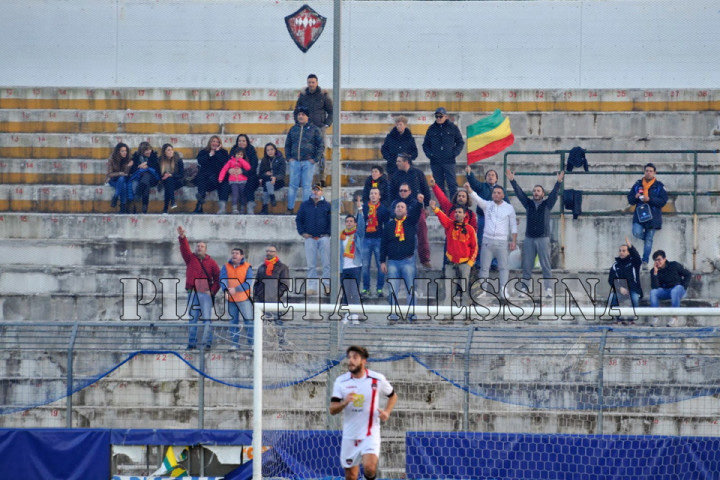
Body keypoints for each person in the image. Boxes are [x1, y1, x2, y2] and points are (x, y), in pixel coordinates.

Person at [330, 346, 397, 480]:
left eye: (355, 357)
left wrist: (387, 412)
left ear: (363, 361)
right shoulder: (341, 381)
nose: (351, 361)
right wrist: (344, 403)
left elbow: (393, 395)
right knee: (351, 476)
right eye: (349, 357)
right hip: (350, 435)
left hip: (370, 434)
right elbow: (332, 409)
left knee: (370, 468)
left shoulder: (377, 379)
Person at [507, 169, 564, 298]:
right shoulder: (528, 204)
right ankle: (524, 288)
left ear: (543, 194)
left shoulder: (547, 205)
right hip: (529, 238)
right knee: (527, 265)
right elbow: (519, 193)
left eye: (538, 191)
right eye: (534, 191)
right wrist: (512, 180)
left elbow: (554, 194)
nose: (535, 192)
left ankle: (548, 288)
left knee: (545, 265)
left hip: (543, 238)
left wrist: (558, 182)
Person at [465, 184, 517, 300]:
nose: (496, 194)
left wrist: (513, 241)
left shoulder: (509, 208)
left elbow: (513, 225)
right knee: (484, 267)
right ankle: (483, 290)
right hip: (487, 241)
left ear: (503, 195)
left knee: (503, 267)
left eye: (499, 193)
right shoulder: (487, 205)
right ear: (492, 194)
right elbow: (476, 198)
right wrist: (469, 189)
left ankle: (503, 290)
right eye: (494, 192)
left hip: (502, 242)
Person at [381, 194, 424, 321]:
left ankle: (412, 313)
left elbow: (416, 212)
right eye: (398, 207)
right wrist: (382, 261)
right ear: (394, 210)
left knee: (410, 288)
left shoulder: (410, 222)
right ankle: (394, 314)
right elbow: (383, 244)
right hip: (393, 262)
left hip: (408, 260)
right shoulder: (389, 226)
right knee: (392, 289)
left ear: (406, 210)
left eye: (402, 207)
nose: (400, 208)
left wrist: (420, 203)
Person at [177, 226, 220, 349]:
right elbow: (184, 248)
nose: (199, 248)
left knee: (207, 319)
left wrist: (212, 292)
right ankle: (192, 343)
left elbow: (218, 278)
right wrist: (182, 237)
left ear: (206, 250)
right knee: (193, 319)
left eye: (201, 246)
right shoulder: (190, 258)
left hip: (204, 289)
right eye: (197, 246)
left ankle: (207, 343)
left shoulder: (211, 262)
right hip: (193, 289)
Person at [430, 201, 478, 305]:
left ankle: (467, 316)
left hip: (465, 264)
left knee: (465, 292)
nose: (457, 214)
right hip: (451, 264)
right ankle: (447, 317)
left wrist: (470, 263)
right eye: (456, 212)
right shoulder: (449, 225)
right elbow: (443, 218)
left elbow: (475, 247)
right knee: (449, 292)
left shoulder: (470, 229)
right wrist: (435, 209)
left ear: (465, 214)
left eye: (460, 212)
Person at [389, 154, 432, 269]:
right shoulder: (395, 176)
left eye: (399, 161)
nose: (396, 163)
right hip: (401, 209)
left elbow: (425, 190)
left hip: (416, 207)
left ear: (406, 161)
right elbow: (391, 194)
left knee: (422, 231)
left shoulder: (418, 173)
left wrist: (426, 206)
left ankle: (425, 259)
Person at [627, 163, 668, 268]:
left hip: (653, 217)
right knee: (636, 232)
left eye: (650, 171)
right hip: (639, 215)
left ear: (654, 173)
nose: (648, 173)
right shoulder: (637, 184)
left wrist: (650, 199)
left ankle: (644, 261)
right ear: (644, 172)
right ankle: (648, 241)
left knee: (649, 238)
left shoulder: (659, 186)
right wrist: (635, 197)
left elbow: (663, 201)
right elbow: (630, 200)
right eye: (647, 171)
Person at [466, 166, 506, 271]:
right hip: (483, 218)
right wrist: (469, 173)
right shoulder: (481, 186)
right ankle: (478, 262)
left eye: (493, 175)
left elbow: (507, 204)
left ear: (496, 178)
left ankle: (494, 263)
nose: (491, 177)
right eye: (489, 175)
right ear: (486, 178)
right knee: (480, 241)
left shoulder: (501, 190)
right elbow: (473, 183)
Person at [295, 74, 332, 186]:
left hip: (320, 128)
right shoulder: (303, 96)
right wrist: (298, 123)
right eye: (309, 82)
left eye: (313, 82)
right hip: (306, 128)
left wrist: (326, 124)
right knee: (305, 152)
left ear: (317, 82)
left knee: (321, 154)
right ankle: (306, 178)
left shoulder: (323, 95)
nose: (311, 84)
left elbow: (331, 111)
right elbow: (296, 111)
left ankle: (322, 178)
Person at [285, 106, 324, 214]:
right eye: (299, 115)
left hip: (308, 162)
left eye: (303, 114)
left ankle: (305, 210)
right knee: (293, 185)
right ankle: (290, 208)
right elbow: (288, 145)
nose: (300, 116)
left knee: (307, 186)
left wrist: (315, 159)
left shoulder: (314, 129)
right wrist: (289, 158)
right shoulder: (293, 129)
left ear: (307, 117)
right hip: (295, 162)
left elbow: (320, 145)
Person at [296, 184, 331, 296]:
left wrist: (328, 233)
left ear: (322, 192)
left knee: (326, 263)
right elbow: (299, 220)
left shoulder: (327, 205)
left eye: (318, 190)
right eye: (314, 190)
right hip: (310, 237)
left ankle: (327, 285)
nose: (315, 192)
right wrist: (302, 232)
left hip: (323, 237)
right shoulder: (305, 205)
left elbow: (331, 221)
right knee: (311, 264)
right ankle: (312, 287)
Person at [422, 107, 464, 199]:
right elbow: (425, 145)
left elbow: (460, 142)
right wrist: (431, 155)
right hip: (436, 162)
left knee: (452, 184)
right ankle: (443, 205)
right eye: (436, 116)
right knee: (439, 185)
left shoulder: (452, 127)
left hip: (449, 161)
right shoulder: (431, 129)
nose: (438, 118)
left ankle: (453, 205)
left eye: (440, 116)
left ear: (446, 116)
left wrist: (454, 153)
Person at [254, 245, 290, 345]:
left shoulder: (282, 267)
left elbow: (285, 284)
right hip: (262, 301)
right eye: (267, 251)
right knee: (263, 324)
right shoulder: (261, 267)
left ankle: (282, 343)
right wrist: (257, 295)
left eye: (271, 251)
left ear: (275, 253)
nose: (268, 253)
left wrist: (276, 295)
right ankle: (263, 344)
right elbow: (257, 283)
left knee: (278, 323)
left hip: (275, 301)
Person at [220, 247, 253, 348]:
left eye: (237, 253)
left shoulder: (247, 267)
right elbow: (222, 279)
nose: (234, 255)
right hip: (231, 300)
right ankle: (234, 344)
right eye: (233, 253)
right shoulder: (226, 266)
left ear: (242, 256)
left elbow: (248, 282)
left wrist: (236, 289)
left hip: (244, 299)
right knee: (233, 323)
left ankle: (252, 344)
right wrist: (225, 290)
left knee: (249, 322)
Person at [361, 187, 390, 298]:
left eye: (375, 193)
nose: (373, 195)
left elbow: (386, 226)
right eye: (371, 193)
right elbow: (360, 223)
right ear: (369, 196)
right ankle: (366, 288)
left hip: (378, 239)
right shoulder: (363, 208)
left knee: (380, 265)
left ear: (379, 196)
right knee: (365, 265)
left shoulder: (383, 209)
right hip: (366, 239)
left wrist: (385, 240)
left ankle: (379, 288)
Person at [649, 250, 692, 327]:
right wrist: (655, 273)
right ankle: (656, 317)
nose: (657, 262)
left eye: (659, 259)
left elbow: (688, 274)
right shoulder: (653, 271)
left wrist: (683, 286)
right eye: (655, 260)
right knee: (653, 292)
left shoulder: (674, 265)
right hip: (665, 291)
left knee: (675, 291)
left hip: (678, 289)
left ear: (664, 259)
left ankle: (674, 318)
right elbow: (655, 287)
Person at [340, 199, 366, 324]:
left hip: (355, 266)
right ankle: (346, 313)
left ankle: (354, 314)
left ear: (354, 223)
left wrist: (360, 210)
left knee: (355, 292)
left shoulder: (357, 235)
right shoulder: (341, 236)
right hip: (344, 267)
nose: (349, 223)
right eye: (347, 221)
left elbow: (362, 225)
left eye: (351, 221)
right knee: (346, 292)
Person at [607, 236, 643, 324]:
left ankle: (632, 320)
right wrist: (619, 289)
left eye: (624, 250)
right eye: (620, 251)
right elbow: (611, 280)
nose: (621, 252)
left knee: (635, 298)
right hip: (621, 291)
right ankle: (618, 319)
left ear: (628, 252)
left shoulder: (634, 262)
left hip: (633, 290)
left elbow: (637, 257)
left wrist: (630, 246)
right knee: (612, 297)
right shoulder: (615, 265)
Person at [193, 136, 230, 214]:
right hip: (206, 177)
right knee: (201, 177)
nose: (215, 143)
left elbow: (224, 161)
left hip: (218, 178)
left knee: (224, 182)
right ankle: (200, 203)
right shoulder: (204, 152)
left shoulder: (223, 152)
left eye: (217, 142)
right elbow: (200, 161)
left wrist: (217, 152)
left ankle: (221, 207)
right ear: (210, 142)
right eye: (213, 141)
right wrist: (210, 154)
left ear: (220, 144)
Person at [230, 134, 259, 214]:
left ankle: (250, 206)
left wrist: (243, 171)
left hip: (250, 175)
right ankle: (227, 207)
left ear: (247, 142)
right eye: (239, 141)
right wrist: (230, 170)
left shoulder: (252, 152)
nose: (241, 142)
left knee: (250, 184)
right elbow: (228, 163)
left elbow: (253, 168)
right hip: (235, 176)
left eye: (243, 141)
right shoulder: (233, 151)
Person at [130, 141, 160, 214]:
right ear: (141, 151)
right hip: (140, 178)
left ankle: (138, 194)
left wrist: (147, 164)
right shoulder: (136, 157)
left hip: (153, 178)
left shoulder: (154, 156)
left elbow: (157, 168)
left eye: (149, 149)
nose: (148, 152)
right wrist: (140, 167)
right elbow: (132, 170)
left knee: (147, 175)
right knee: (146, 183)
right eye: (146, 150)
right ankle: (145, 206)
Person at [218, 148, 251, 214]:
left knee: (242, 195)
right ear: (235, 154)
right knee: (235, 194)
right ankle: (234, 208)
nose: (239, 156)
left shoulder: (244, 161)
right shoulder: (230, 161)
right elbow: (224, 169)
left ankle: (242, 208)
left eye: (241, 155)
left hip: (243, 181)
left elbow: (248, 167)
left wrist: (241, 161)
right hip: (233, 181)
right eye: (238, 154)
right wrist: (220, 178)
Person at [258, 142, 286, 214]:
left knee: (266, 184)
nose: (270, 151)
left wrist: (275, 177)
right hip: (268, 181)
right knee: (267, 180)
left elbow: (282, 174)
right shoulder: (264, 160)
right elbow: (260, 174)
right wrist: (266, 173)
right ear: (265, 151)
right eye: (268, 150)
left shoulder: (281, 159)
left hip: (278, 181)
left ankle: (265, 208)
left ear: (275, 150)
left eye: (271, 149)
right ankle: (272, 196)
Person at [106, 142, 133, 213]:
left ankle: (115, 197)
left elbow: (126, 174)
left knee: (123, 182)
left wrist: (128, 167)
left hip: (122, 180)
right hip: (113, 180)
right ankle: (122, 207)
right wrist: (119, 173)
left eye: (126, 151)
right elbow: (109, 174)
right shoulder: (112, 158)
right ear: (118, 151)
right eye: (122, 151)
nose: (125, 152)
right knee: (122, 181)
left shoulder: (128, 158)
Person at [158, 144, 184, 214]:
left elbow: (181, 175)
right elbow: (158, 173)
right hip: (166, 181)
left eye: (172, 150)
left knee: (169, 181)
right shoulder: (160, 160)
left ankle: (166, 208)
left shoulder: (178, 160)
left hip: (177, 181)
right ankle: (172, 202)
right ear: (164, 152)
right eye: (168, 150)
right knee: (168, 182)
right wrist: (163, 177)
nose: (171, 152)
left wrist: (171, 175)